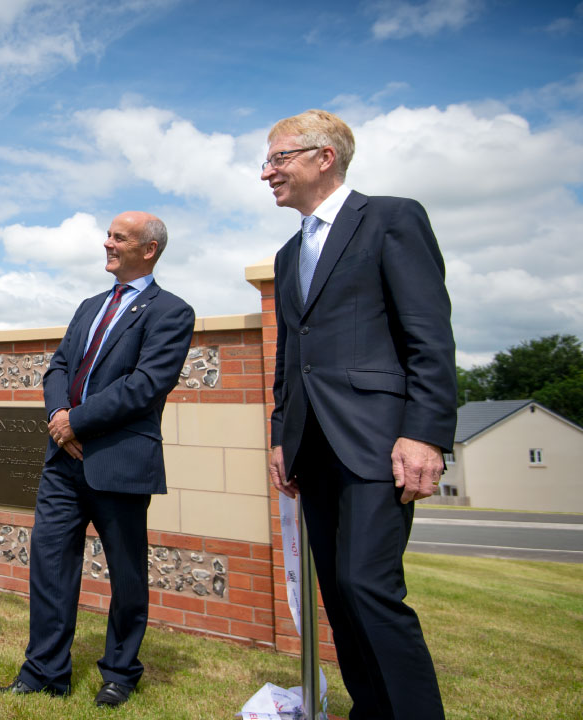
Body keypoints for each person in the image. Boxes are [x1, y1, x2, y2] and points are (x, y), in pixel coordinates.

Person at [262, 109, 455, 719]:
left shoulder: (393, 218)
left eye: (279, 158)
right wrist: (280, 435)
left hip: (376, 440)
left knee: (371, 587)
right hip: (312, 446)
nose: (267, 173)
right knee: (340, 595)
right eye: (266, 162)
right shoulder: (289, 252)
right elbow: (290, 355)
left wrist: (423, 432)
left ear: (326, 157)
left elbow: (427, 333)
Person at [0, 211, 193, 708]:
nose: (106, 243)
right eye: (108, 235)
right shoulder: (89, 306)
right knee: (51, 565)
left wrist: (76, 422)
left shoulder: (172, 312)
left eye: (118, 237)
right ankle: (44, 672)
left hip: (119, 461)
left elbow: (146, 385)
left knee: (126, 574)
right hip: (63, 463)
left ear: (148, 249)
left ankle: (121, 672)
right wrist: (60, 414)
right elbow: (59, 366)